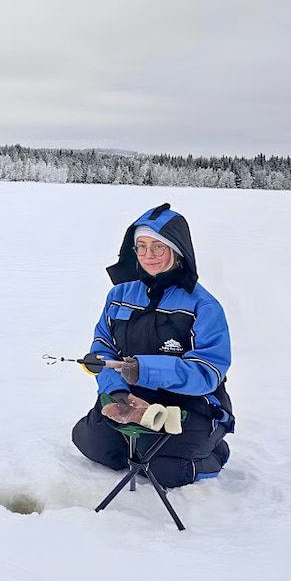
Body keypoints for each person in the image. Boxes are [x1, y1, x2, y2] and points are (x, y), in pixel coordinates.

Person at [71, 202, 234, 487]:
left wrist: (143, 370)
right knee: (92, 441)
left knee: (164, 470)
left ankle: (214, 451)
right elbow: (103, 347)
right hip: (132, 400)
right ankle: (138, 439)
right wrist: (117, 390)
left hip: (191, 404)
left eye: (158, 247)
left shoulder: (204, 305)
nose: (149, 255)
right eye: (142, 247)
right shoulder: (119, 295)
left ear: (177, 250)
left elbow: (208, 371)